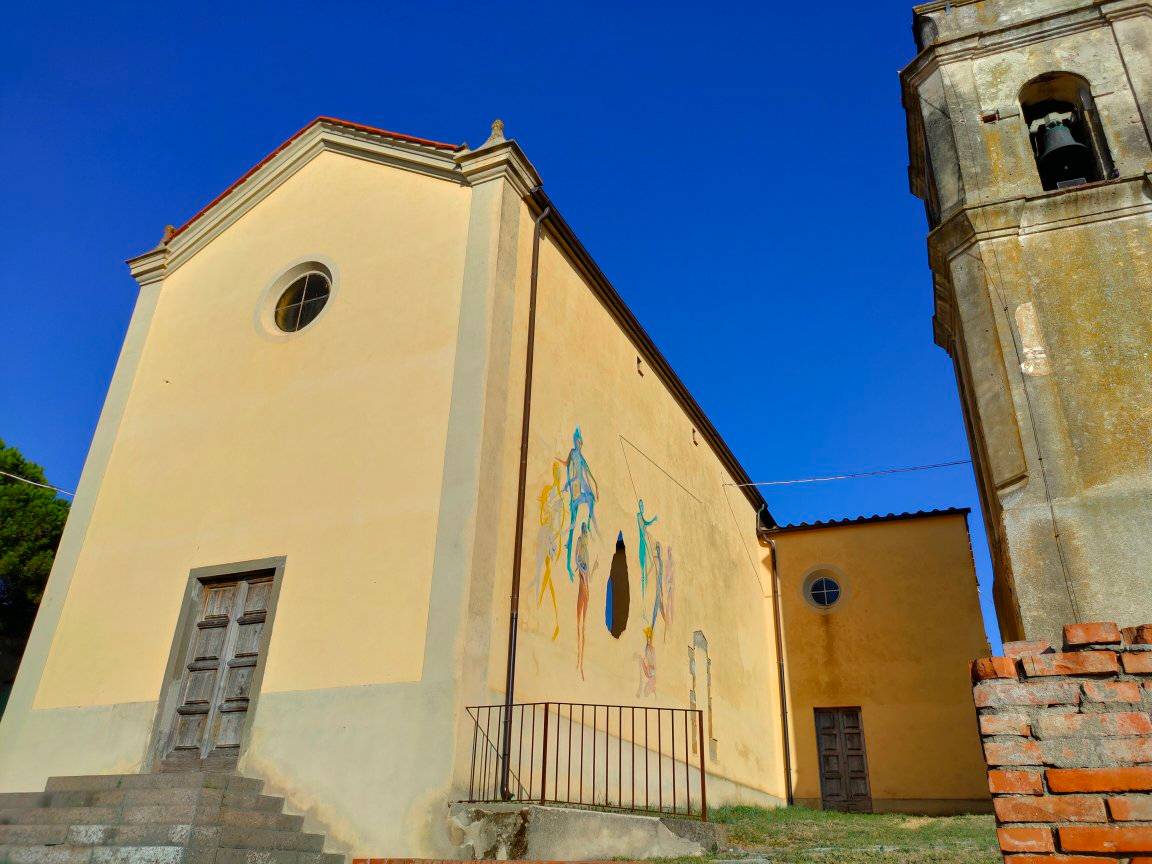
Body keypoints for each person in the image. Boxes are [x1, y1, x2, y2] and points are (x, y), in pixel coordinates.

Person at [563, 428, 599, 581]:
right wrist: (568, 484)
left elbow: (588, 473)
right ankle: (568, 565)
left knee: (590, 499)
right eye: (578, 440)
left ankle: (589, 525)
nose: (579, 443)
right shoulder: (572, 453)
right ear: (575, 441)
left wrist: (596, 486)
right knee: (572, 526)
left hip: (580, 488)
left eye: (580, 441)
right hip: (575, 490)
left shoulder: (582, 458)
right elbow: (567, 466)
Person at [534, 461, 565, 640]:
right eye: (557, 473)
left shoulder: (560, 496)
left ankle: (550, 614)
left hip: (553, 538)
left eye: (559, 473)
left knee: (547, 572)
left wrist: (557, 539)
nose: (558, 476)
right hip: (546, 534)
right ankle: (548, 613)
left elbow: (560, 523)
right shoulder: (552, 492)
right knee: (544, 571)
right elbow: (544, 512)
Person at [574, 522, 596, 679]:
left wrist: (593, 568)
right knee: (580, 625)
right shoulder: (581, 547)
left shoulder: (586, 553)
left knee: (583, 627)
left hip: (586, 591)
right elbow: (577, 559)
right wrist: (583, 570)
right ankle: (579, 662)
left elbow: (588, 576)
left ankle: (581, 663)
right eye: (585, 533)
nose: (586, 536)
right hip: (583, 591)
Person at [636, 498, 658, 595]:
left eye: (643, 506)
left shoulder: (642, 517)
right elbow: (642, 526)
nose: (642, 507)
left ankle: (644, 589)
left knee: (648, 568)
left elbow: (646, 523)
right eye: (640, 506)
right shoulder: (639, 516)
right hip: (642, 544)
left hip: (644, 543)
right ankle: (643, 592)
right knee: (644, 569)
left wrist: (653, 520)